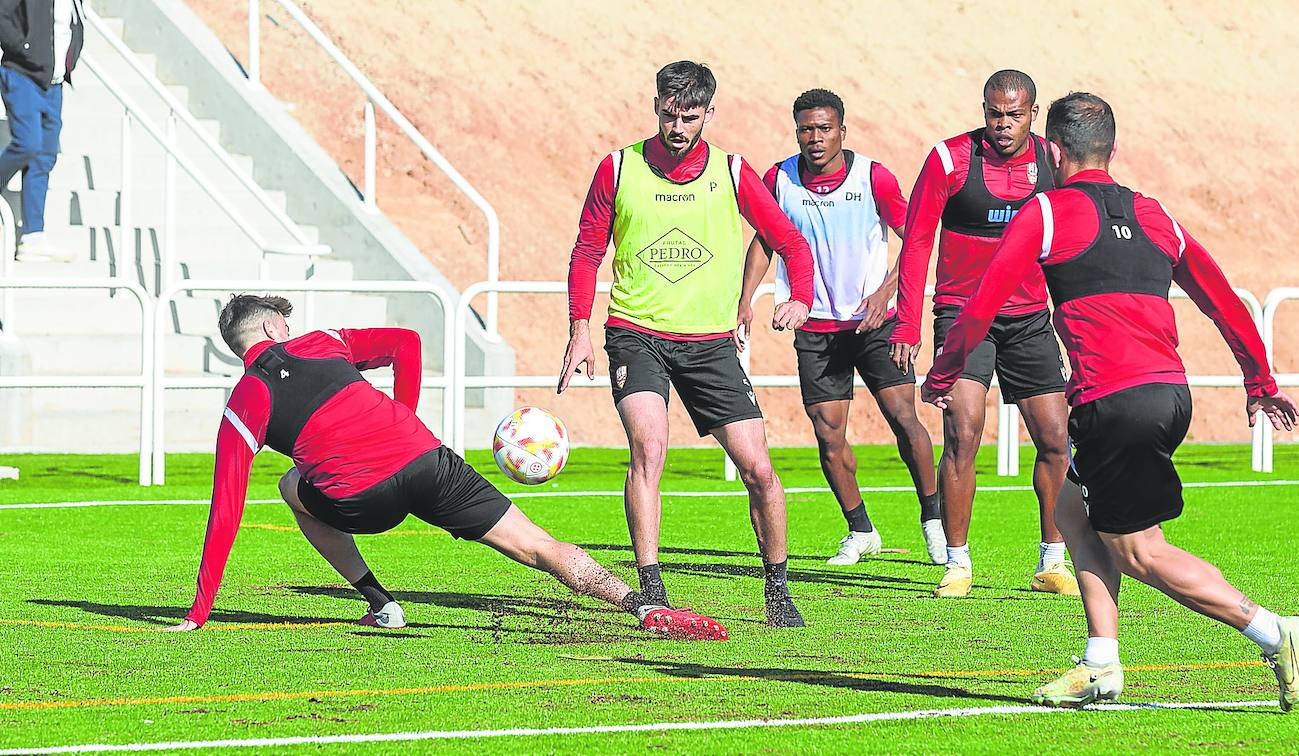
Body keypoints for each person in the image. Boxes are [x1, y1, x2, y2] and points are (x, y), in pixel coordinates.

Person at [923, 92, 1299, 710]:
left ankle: (1271, 630)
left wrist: (943, 376)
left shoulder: (1044, 212)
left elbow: (983, 305)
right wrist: (1258, 380)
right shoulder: (1157, 215)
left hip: (1115, 400)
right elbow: (1225, 303)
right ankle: (1100, 661)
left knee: (1139, 550)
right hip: (1167, 393)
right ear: (1113, 150)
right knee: (1073, 510)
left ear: (1051, 149)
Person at [164, 294, 727, 641]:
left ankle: (381, 604)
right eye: (283, 325)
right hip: (427, 461)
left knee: (291, 485)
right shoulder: (324, 341)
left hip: (363, 502)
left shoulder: (245, 401)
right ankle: (643, 606)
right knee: (537, 545)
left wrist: (200, 609)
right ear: (270, 331)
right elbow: (405, 342)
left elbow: (226, 507)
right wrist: (402, 419)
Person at [559, 61, 815, 626]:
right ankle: (651, 586)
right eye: (671, 115)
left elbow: (791, 242)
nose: (679, 127)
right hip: (635, 334)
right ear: (655, 106)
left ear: (709, 113)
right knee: (649, 448)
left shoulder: (731, 170)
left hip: (710, 344)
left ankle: (778, 590)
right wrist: (580, 329)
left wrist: (799, 297)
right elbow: (586, 253)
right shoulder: (619, 168)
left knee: (760, 470)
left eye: (691, 117)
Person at [889, 69, 1074, 598]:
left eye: (1014, 115)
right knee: (963, 432)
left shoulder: (1052, 163)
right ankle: (958, 562)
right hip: (963, 317)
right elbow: (919, 239)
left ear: (1032, 115)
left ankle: (1052, 561)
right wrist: (907, 321)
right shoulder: (949, 160)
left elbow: (1073, 235)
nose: (1003, 125)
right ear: (983, 110)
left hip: (1030, 318)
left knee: (1056, 439)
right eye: (994, 114)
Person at [737, 88, 941, 565]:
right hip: (815, 326)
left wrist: (885, 294)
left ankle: (932, 520)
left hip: (875, 323)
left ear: (841, 131)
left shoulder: (873, 177)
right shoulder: (780, 179)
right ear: (797, 132)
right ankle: (861, 529)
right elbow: (764, 241)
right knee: (828, 434)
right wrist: (745, 299)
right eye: (806, 129)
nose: (815, 138)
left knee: (903, 418)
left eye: (824, 128)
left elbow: (916, 241)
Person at [0, 0, 83, 261]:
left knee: (44, 156)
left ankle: (33, 236)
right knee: (28, 143)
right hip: (23, 75)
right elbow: (2, 15)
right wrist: (23, 48)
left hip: (54, 83)